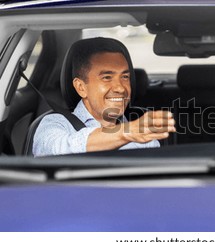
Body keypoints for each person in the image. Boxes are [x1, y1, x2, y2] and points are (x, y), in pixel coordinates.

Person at [33, 37, 176, 157]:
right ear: (81, 87)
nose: (120, 88)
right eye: (107, 77)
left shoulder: (144, 135)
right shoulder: (55, 124)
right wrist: (128, 132)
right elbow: (55, 151)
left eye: (125, 77)